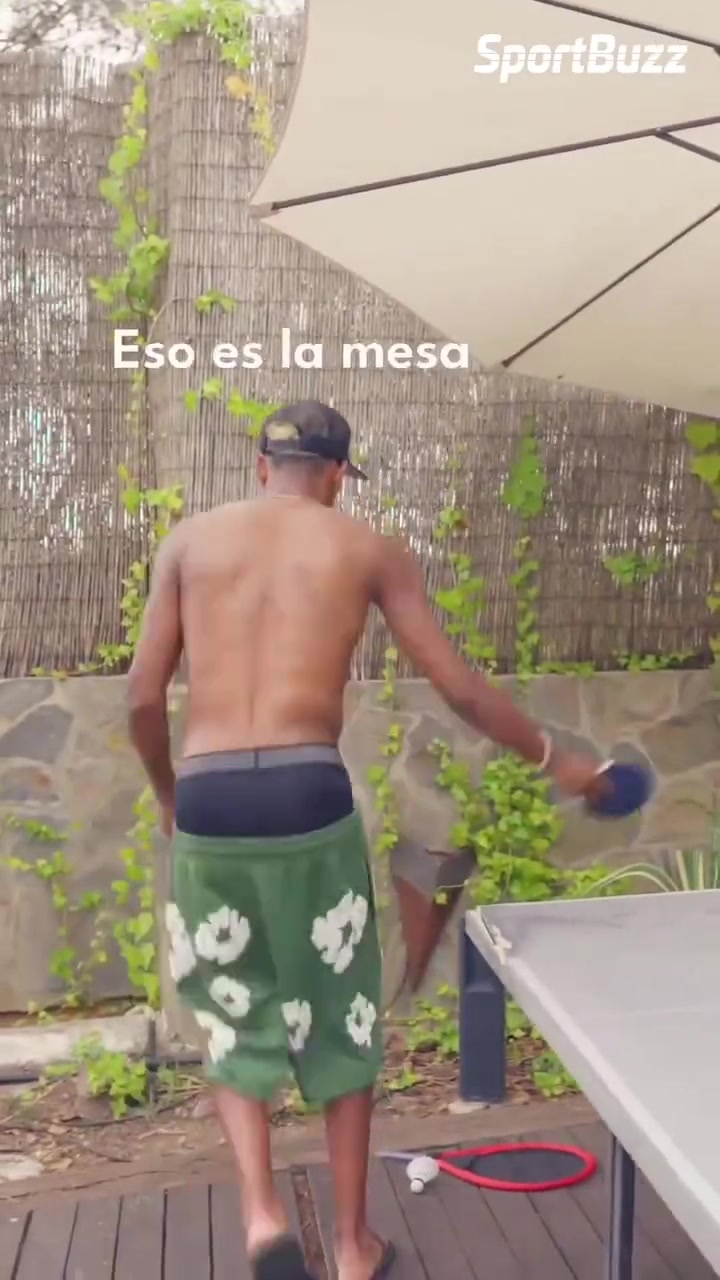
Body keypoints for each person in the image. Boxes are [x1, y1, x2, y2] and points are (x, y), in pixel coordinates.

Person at [127, 400, 603, 1280]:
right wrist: (558, 759)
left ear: (261, 466)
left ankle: (263, 1218)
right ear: (339, 476)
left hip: (210, 798)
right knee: (341, 1017)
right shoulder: (369, 549)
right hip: (308, 790)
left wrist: (168, 797)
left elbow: (142, 698)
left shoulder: (188, 543)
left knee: (231, 1009)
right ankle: (352, 1246)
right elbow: (459, 687)